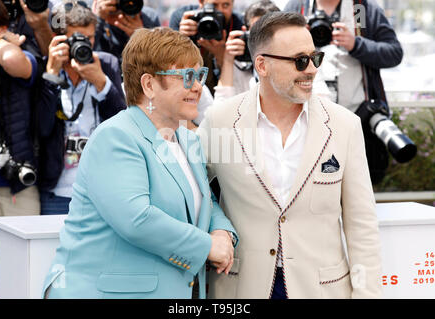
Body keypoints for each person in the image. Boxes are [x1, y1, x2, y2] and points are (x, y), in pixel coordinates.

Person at [42, 27, 237, 299]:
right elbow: (136, 218)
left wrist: (223, 233)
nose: (197, 86)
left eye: (200, 75)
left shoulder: (188, 140)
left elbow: (206, 201)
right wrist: (207, 246)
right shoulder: (116, 136)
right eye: (187, 76)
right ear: (148, 85)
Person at [198, 12, 382, 299]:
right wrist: (217, 227)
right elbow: (192, 190)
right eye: (300, 60)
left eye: (315, 58)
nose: (311, 69)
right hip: (240, 288)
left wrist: (367, 294)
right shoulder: (221, 120)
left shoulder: (344, 125)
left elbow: (362, 226)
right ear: (262, 65)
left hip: (321, 289)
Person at [284, 0, 403, 184]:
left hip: (359, 120)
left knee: (359, 190)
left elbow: (394, 53)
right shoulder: (299, 8)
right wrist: (298, 41)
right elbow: (276, 53)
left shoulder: (361, 9)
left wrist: (356, 44)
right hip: (306, 120)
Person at [37, 2, 125, 215]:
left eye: (89, 38)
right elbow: (41, 128)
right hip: (57, 192)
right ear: (59, 40)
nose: (84, 44)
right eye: (76, 38)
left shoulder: (106, 64)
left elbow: (122, 123)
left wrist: (100, 82)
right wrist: (51, 76)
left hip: (101, 191)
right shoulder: (45, 68)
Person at [0, 0, 41, 298]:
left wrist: (2, 44)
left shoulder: (19, 51)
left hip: (15, 187)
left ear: (3, 28)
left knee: (15, 282)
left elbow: (13, 63)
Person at [169, 0, 244, 95]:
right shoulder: (184, 17)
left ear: (233, 5)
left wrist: (222, 54)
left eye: (225, 5)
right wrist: (181, 40)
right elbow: (172, 69)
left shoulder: (238, 24)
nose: (219, 11)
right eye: (214, 5)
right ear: (201, 2)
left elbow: (241, 80)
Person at [92, 0, 160, 64]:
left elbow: (158, 61)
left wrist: (142, 38)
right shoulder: (92, 16)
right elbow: (86, 53)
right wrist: (98, 21)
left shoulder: (148, 17)